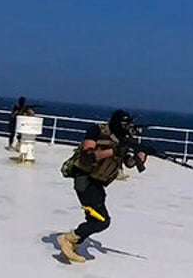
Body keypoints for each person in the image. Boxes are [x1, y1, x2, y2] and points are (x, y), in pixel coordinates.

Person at [57, 109, 146, 263]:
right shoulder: (96, 131)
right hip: (85, 180)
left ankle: (72, 244)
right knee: (102, 221)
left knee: (93, 217)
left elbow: (129, 163)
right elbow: (88, 156)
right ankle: (67, 239)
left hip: (97, 183)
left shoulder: (121, 140)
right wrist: (113, 151)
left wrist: (142, 155)